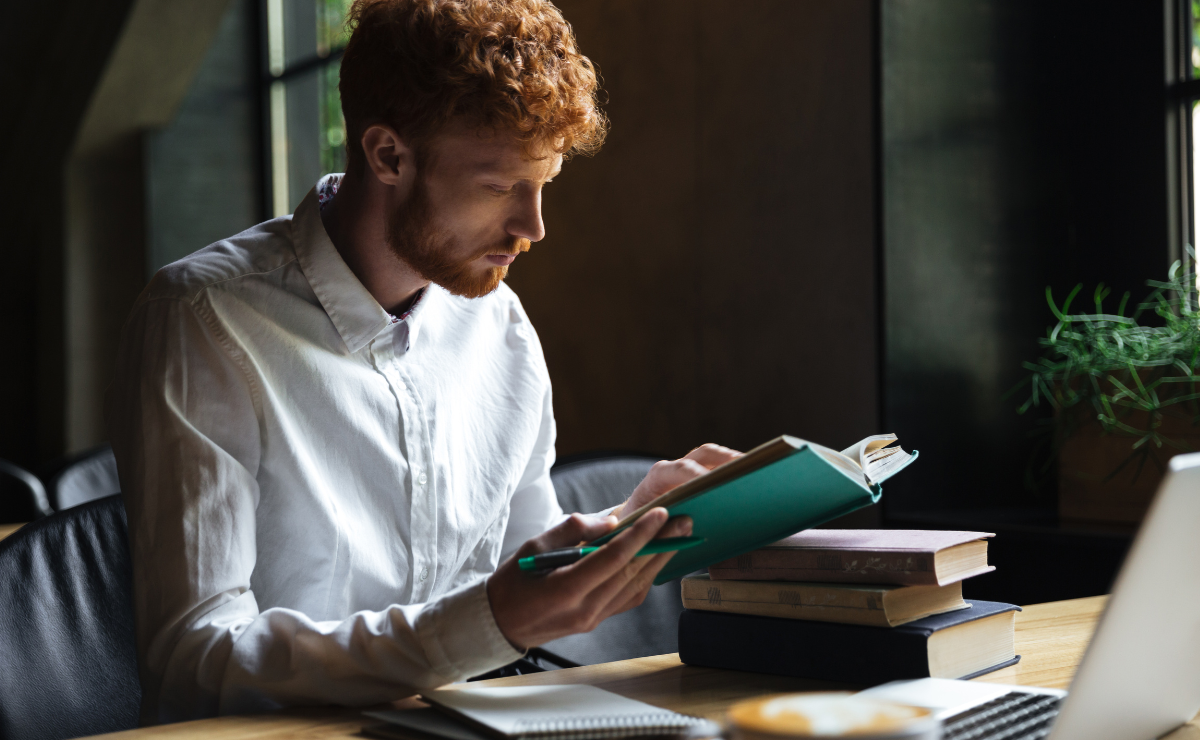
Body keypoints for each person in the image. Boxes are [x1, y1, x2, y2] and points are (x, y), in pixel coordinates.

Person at [107, 0, 739, 725]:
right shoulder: (203, 319)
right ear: (388, 156)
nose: (533, 228)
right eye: (501, 187)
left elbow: (516, 572)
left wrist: (630, 525)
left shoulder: (498, 326)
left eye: (546, 185)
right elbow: (197, 660)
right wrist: (479, 624)